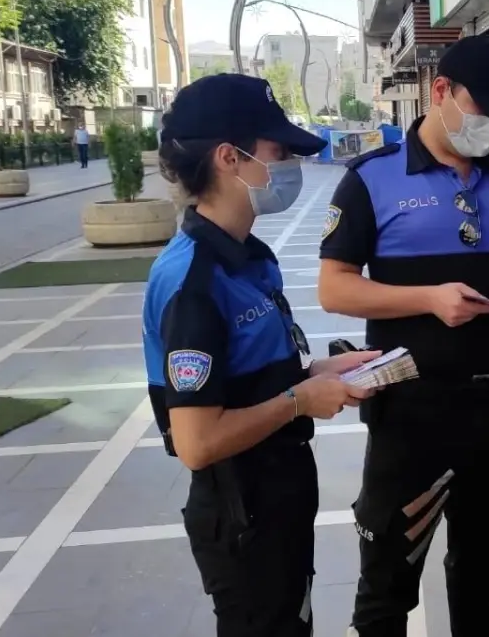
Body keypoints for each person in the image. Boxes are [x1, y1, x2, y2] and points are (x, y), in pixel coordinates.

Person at [318, 34, 489, 637]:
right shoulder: (372, 180)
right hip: (410, 415)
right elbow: (335, 288)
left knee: (480, 580)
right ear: (440, 92)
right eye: (480, 110)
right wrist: (427, 300)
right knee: (387, 591)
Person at [142, 73, 377, 637]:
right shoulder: (194, 280)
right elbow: (197, 444)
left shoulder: (249, 256)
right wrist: (300, 400)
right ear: (230, 158)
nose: (289, 165)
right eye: (277, 152)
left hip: (279, 497)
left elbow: (249, 378)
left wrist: (320, 371)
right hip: (241, 513)